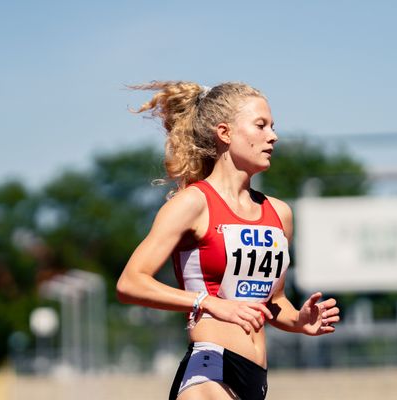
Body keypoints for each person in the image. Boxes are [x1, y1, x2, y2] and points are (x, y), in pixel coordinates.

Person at [116, 81, 340, 400]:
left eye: (273, 127)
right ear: (225, 133)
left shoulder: (279, 213)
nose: (273, 136)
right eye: (260, 125)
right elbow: (130, 283)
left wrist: (300, 321)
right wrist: (207, 302)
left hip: (256, 378)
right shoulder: (193, 204)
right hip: (209, 369)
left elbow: (273, 302)